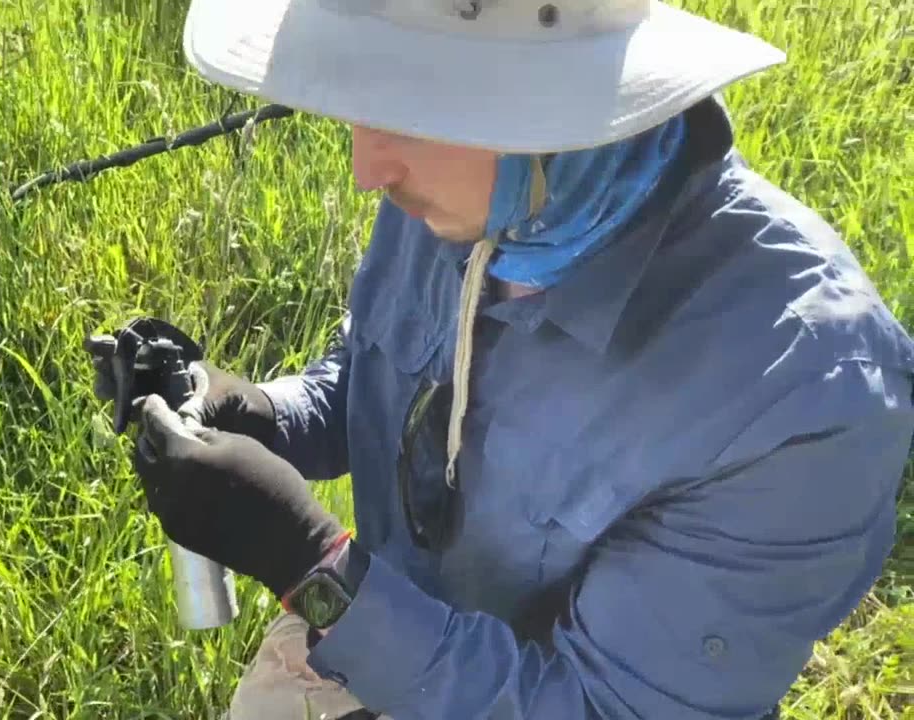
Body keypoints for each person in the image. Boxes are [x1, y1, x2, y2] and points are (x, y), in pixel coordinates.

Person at [99, 0, 914, 717]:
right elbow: (385, 371)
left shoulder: (803, 398)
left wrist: (316, 570)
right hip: (384, 630)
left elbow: (601, 708)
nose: (365, 170)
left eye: (409, 110)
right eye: (358, 104)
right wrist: (264, 414)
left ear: (562, 99)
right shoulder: (485, 187)